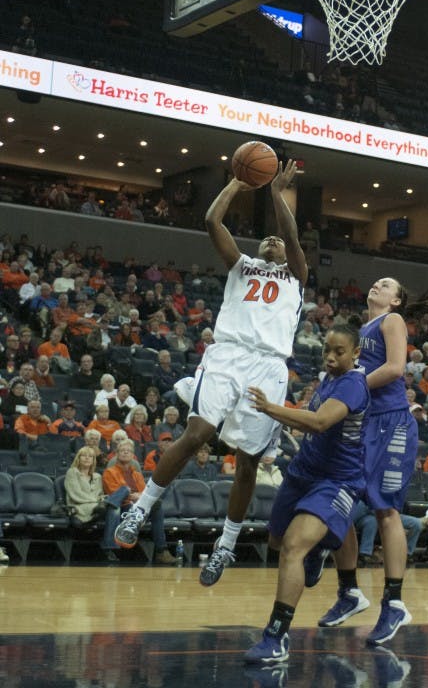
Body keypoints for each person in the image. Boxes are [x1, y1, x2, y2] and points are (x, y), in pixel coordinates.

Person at [114, 160, 308, 586]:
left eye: (277, 239)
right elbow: (210, 219)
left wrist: (276, 193)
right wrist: (238, 184)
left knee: (247, 463)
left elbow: (290, 234)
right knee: (197, 434)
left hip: (269, 366)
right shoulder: (240, 265)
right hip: (228, 356)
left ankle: (225, 546)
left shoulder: (296, 275)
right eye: (267, 238)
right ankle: (140, 509)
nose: (273, 239)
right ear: (257, 250)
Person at [320, 280, 428, 646]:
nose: (378, 284)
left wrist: (350, 385)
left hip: (391, 423)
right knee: (339, 499)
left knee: (385, 511)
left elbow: (394, 368)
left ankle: (394, 602)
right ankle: (349, 591)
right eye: (377, 281)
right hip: (363, 423)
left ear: (397, 300)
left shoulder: (392, 321)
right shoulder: (360, 331)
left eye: (386, 284)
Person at [244, 325, 369, 665]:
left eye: (339, 351)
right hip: (303, 471)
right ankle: (321, 550)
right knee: (276, 542)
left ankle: (276, 636)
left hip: (337, 479)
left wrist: (271, 408)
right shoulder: (328, 378)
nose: (330, 356)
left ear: (355, 353)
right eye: (327, 349)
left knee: (293, 547)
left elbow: (317, 423)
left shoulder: (354, 384)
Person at [103, 440, 175, 564]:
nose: (125, 452)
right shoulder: (109, 472)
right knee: (121, 493)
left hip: (138, 508)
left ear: (133, 456)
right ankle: (111, 549)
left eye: (129, 451)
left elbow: (144, 493)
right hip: (122, 506)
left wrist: (139, 497)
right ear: (117, 454)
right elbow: (114, 494)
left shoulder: (137, 474)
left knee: (157, 506)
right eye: (122, 450)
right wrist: (133, 496)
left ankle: (161, 551)